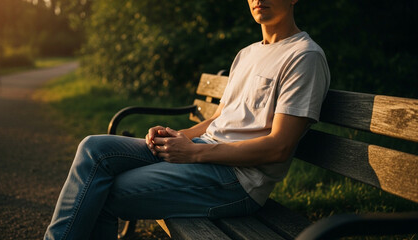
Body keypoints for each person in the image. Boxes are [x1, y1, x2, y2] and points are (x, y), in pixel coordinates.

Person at [44, 0, 330, 239]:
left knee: (105, 191)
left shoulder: (304, 56)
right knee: (94, 148)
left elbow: (279, 147)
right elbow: (220, 118)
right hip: (203, 153)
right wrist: (180, 135)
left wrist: (196, 153)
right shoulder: (247, 53)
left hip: (237, 180)